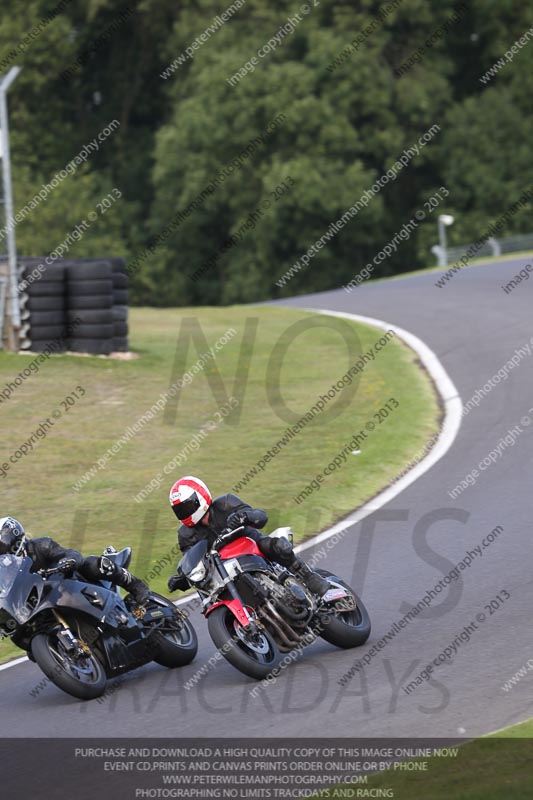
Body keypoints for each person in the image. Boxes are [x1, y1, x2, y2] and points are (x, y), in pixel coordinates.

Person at [166, 476, 329, 596]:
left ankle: (309, 576)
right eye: (180, 510)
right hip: (225, 569)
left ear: (199, 497)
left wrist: (245, 516)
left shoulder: (226, 503)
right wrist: (182, 578)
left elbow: (261, 517)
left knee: (278, 546)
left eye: (186, 506)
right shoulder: (185, 534)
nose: (185, 512)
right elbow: (193, 563)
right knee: (209, 593)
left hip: (252, 545)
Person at [0, 516, 150, 604]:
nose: (2, 549)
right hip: (46, 602)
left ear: (14, 535)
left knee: (92, 564)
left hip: (69, 583)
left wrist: (66, 562)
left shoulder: (41, 545)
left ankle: (136, 586)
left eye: (2, 544)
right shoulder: (7, 571)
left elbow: (72, 554)